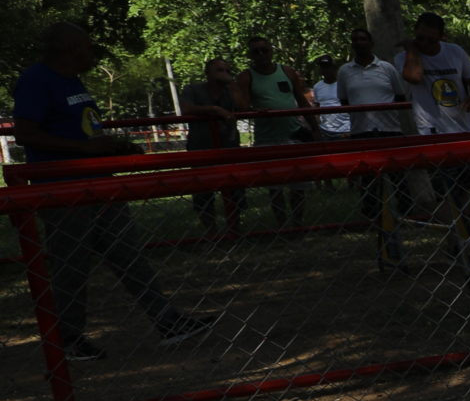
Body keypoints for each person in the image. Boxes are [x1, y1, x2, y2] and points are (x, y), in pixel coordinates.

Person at [12, 20, 210, 359]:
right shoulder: (36, 81)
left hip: (99, 184)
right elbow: (26, 134)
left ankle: (167, 321)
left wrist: (113, 146)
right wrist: (85, 151)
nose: (92, 52)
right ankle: (67, 338)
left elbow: (83, 130)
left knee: (129, 254)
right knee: (71, 265)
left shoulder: (72, 81)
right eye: (87, 46)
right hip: (62, 190)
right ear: (71, 48)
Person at [400, 13, 470, 273]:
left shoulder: (455, 53)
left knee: (461, 193)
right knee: (441, 196)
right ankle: (463, 241)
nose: (425, 44)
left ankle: (456, 242)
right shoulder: (408, 56)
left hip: (463, 131)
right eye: (420, 38)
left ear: (442, 36)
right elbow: (415, 77)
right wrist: (411, 48)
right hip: (432, 134)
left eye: (431, 39)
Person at [336, 27, 410, 264]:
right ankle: (372, 218)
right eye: (355, 39)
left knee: (399, 176)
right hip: (362, 131)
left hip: (390, 130)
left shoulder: (387, 68)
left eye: (363, 39)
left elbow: (400, 96)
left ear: (371, 42)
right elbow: (344, 100)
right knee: (368, 179)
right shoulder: (344, 71)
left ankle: (406, 214)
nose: (359, 42)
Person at [232, 34, 312, 227]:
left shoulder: (287, 71)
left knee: (298, 186)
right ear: (250, 55)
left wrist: (314, 129)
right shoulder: (246, 77)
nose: (261, 54)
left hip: (294, 134)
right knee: (275, 187)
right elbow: (241, 107)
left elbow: (303, 102)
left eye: (264, 50)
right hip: (267, 138)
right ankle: (282, 224)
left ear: (271, 51)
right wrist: (255, 111)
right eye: (255, 51)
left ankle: (298, 223)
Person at [175, 53, 246, 236]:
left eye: (227, 70)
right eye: (219, 70)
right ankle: (212, 232)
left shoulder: (230, 91)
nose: (224, 73)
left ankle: (235, 229)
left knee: (234, 187)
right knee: (203, 190)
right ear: (207, 73)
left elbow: (244, 107)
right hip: (201, 146)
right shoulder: (193, 89)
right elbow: (187, 109)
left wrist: (233, 85)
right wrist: (214, 110)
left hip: (228, 145)